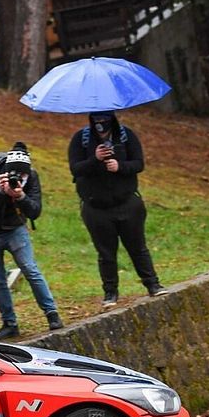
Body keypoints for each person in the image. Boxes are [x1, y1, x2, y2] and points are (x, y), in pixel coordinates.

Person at [68, 110, 167, 309]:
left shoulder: (126, 136)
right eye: (96, 119)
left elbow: (138, 163)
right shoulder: (81, 139)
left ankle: (153, 284)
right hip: (96, 206)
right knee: (106, 253)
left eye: (104, 119)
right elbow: (75, 169)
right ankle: (110, 292)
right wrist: (95, 159)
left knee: (137, 247)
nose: (100, 123)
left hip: (127, 203)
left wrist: (120, 166)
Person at [0, 142, 63, 340]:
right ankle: (9, 323)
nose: (19, 179)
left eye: (23, 177)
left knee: (30, 269)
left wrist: (21, 196)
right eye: (16, 176)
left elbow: (35, 211)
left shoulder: (31, 176)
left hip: (15, 229)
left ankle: (52, 314)